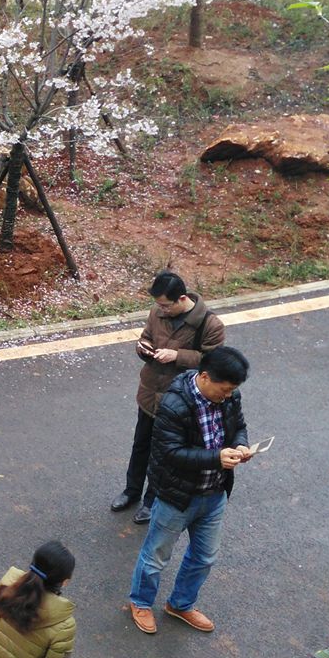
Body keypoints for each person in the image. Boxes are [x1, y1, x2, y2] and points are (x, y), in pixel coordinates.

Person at [128, 347, 252, 635]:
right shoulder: (173, 404)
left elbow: (239, 427)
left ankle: (181, 604)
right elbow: (170, 452)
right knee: (156, 556)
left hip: (214, 494)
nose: (228, 395)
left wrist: (242, 444)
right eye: (224, 389)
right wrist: (216, 457)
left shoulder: (230, 397)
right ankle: (141, 602)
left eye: (232, 390)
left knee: (204, 556)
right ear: (205, 377)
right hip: (176, 496)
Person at [112, 271, 224, 524]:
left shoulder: (210, 325)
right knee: (140, 445)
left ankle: (152, 501)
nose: (159, 309)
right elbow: (147, 336)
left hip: (178, 401)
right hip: (150, 391)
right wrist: (143, 348)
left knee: (163, 454)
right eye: (157, 304)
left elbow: (213, 363)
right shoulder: (157, 312)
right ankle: (131, 491)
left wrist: (178, 356)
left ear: (182, 299)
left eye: (165, 305)